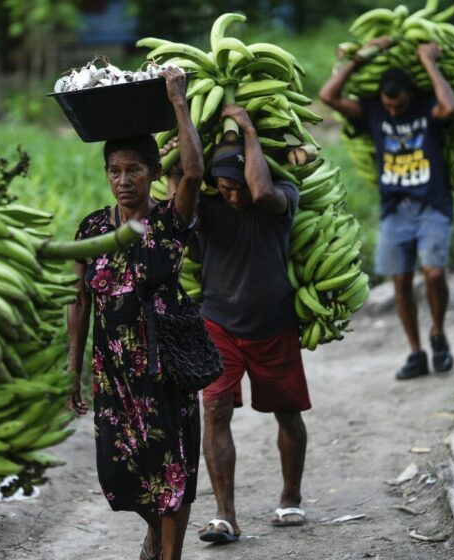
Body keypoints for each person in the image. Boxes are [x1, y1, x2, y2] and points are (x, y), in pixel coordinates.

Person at [66, 67, 205, 560]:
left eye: (135, 170)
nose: (124, 181)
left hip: (164, 366)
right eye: (115, 171)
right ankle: (154, 533)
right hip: (113, 372)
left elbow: (193, 172)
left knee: (171, 468)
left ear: (151, 173)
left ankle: (170, 554)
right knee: (123, 473)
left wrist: (178, 103)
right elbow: (80, 299)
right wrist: (72, 368)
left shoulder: (171, 220)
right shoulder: (92, 228)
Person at [165, 105, 311, 543]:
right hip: (219, 324)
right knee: (215, 412)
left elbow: (261, 191)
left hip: (273, 323)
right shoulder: (207, 207)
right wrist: (174, 162)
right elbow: (178, 212)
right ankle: (225, 516)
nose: (232, 196)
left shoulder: (280, 195)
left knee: (287, 412)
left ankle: (290, 496)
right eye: (223, 188)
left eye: (236, 187)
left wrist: (248, 130)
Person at [319, 40, 454, 380]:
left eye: (398, 105)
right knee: (400, 281)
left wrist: (428, 61)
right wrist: (360, 56)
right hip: (394, 210)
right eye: (388, 106)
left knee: (435, 273)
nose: (393, 112)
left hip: (432, 206)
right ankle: (415, 352)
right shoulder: (374, 111)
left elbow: (450, 107)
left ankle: (438, 334)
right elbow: (328, 96)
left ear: (410, 95)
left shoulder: (428, 107)